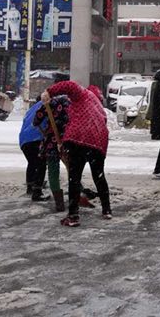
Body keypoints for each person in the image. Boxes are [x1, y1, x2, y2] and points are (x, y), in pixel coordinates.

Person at [41, 79, 111, 227]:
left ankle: (73, 215)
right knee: (99, 176)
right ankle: (106, 210)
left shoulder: (84, 94)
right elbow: (103, 125)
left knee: (74, 177)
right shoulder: (99, 108)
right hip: (98, 143)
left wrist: (49, 92)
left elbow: (70, 85)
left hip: (78, 140)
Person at [32, 94, 70, 212]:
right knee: (73, 169)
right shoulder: (72, 102)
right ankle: (76, 195)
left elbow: (36, 120)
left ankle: (59, 203)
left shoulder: (49, 103)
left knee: (53, 171)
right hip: (69, 140)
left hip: (52, 142)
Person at [19, 99, 45, 199]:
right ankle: (37, 191)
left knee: (32, 163)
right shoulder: (48, 106)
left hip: (24, 140)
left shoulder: (33, 109)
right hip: (35, 139)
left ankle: (30, 186)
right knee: (41, 164)